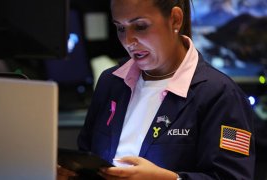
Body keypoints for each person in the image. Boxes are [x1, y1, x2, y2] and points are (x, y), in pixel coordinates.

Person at [58, 0, 256, 179]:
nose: (128, 40)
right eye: (120, 28)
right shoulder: (110, 82)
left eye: (141, 26)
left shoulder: (220, 94)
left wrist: (169, 179)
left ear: (175, 20)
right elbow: (87, 158)